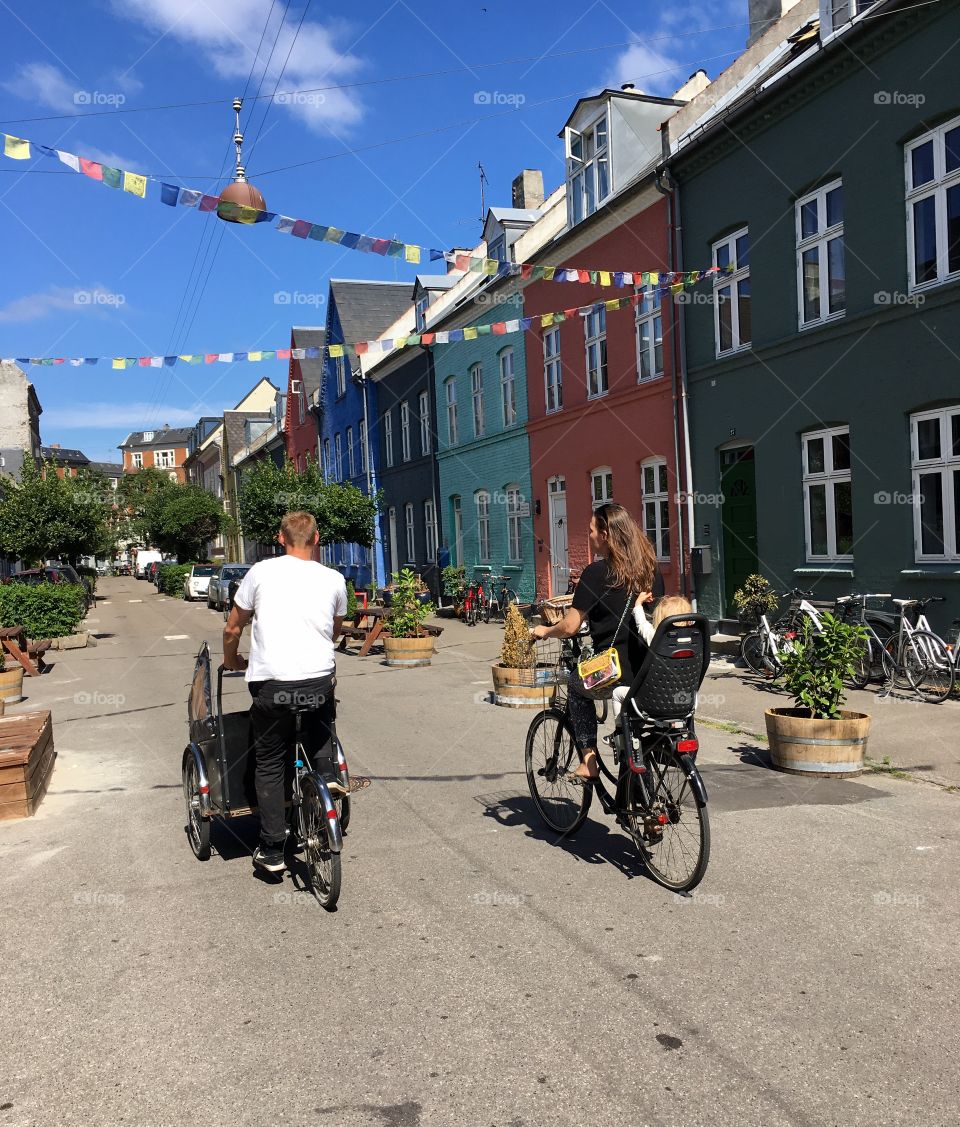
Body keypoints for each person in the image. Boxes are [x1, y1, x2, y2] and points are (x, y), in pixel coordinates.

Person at [223, 511, 347, 874]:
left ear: (281, 538)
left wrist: (232, 661)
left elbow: (233, 628)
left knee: (271, 762)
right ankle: (324, 809)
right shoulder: (334, 578)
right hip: (316, 684)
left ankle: (273, 848)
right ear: (317, 538)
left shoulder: (260, 572)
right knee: (320, 739)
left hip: (273, 687)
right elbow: (335, 630)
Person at [531, 503, 660, 783]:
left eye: (591, 530)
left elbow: (570, 626)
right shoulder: (650, 570)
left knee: (576, 686)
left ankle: (588, 760)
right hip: (649, 672)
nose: (588, 536)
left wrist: (545, 629)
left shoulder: (596, 573)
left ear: (606, 534)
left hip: (614, 671)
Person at [612, 595, 695, 721]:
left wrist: (638, 603)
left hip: (655, 699)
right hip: (685, 699)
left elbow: (642, 624)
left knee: (617, 693)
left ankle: (619, 730)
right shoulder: (694, 641)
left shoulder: (656, 637)